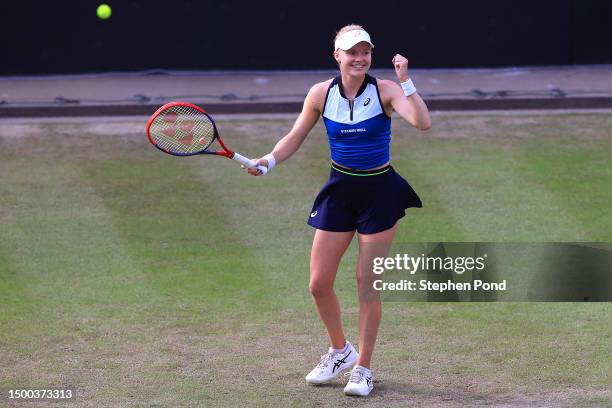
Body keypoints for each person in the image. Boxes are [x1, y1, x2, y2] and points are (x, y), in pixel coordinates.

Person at [246, 24, 431, 397]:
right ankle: (339, 351)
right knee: (319, 284)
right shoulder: (319, 94)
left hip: (379, 192)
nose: (360, 58)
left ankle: (363, 367)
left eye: (365, 52)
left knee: (367, 285)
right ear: (337, 56)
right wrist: (268, 159)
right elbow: (295, 136)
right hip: (340, 191)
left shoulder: (386, 91)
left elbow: (422, 122)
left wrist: (407, 81)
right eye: (352, 52)